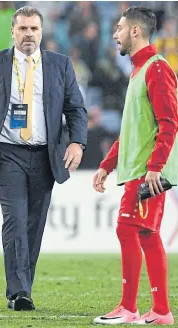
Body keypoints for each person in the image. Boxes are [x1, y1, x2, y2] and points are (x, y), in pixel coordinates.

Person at [0, 6, 87, 311]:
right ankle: (19, 292)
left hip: (44, 155)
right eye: (22, 29)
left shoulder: (60, 65)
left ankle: (22, 287)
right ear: (12, 31)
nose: (28, 34)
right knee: (15, 219)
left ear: (42, 32)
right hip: (6, 153)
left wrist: (77, 142)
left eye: (34, 29)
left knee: (33, 226)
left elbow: (75, 108)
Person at [93, 6, 177, 325]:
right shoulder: (139, 71)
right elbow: (132, 129)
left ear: (135, 32)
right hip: (138, 169)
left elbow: (169, 122)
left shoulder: (156, 68)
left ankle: (129, 308)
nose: (115, 34)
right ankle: (160, 312)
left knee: (128, 229)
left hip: (147, 172)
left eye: (119, 28)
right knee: (145, 234)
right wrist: (106, 164)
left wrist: (156, 166)